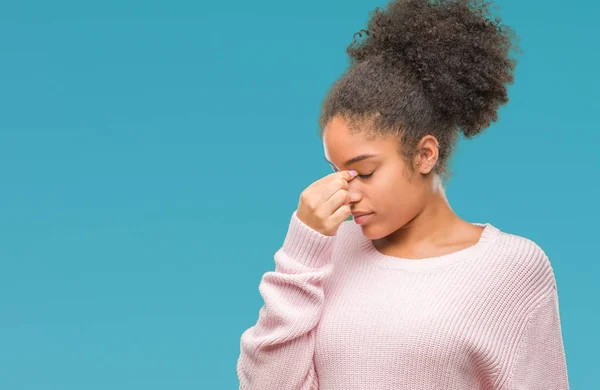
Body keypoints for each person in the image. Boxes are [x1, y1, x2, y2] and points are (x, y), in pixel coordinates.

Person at [236, 0, 569, 388]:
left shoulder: (513, 269)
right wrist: (301, 253)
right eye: (337, 172)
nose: (346, 192)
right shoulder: (327, 256)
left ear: (425, 154)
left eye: (364, 172)